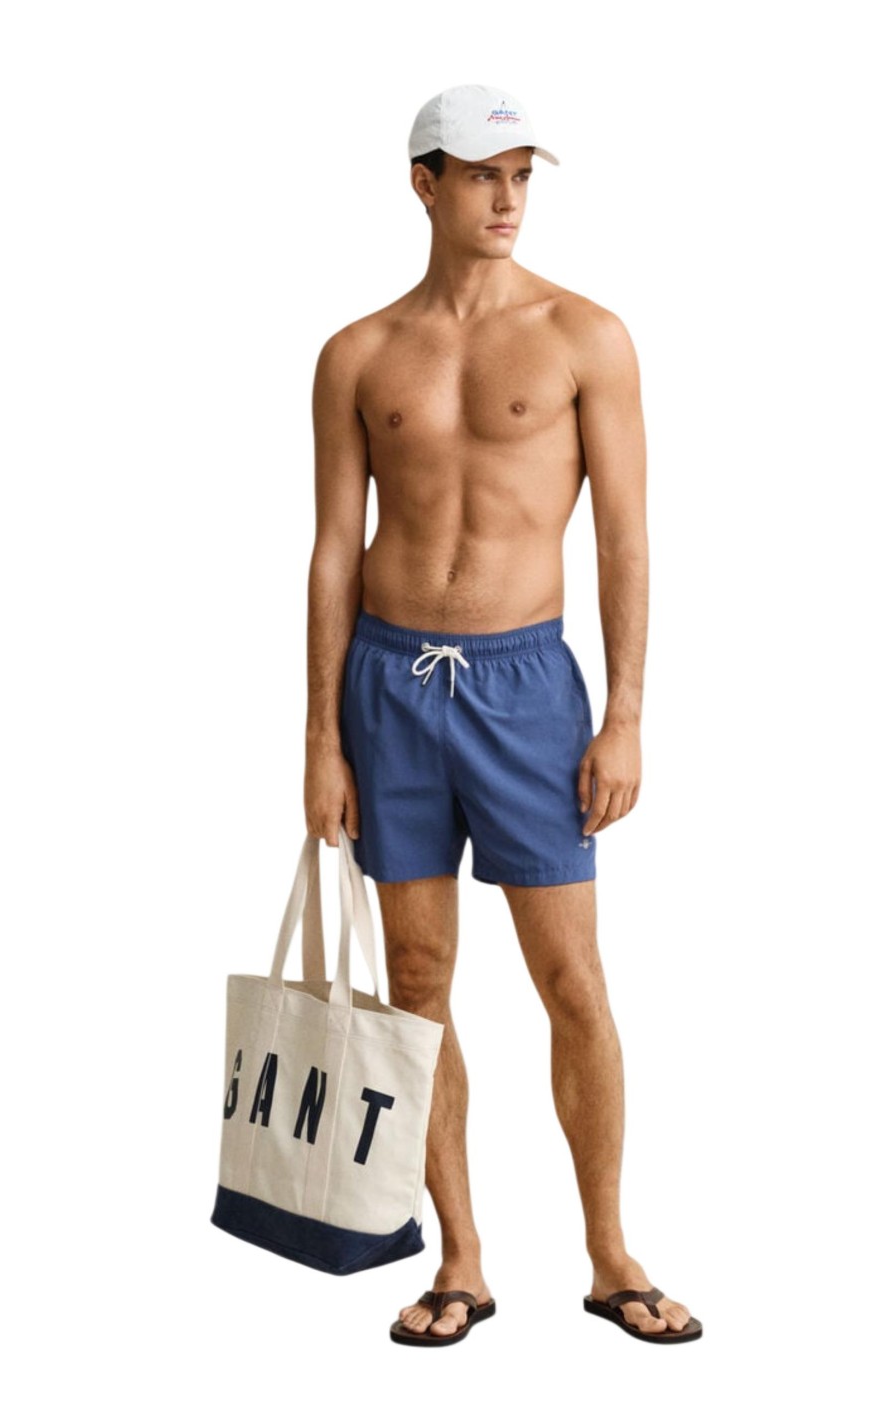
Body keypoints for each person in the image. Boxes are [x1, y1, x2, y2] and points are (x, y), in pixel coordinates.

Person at [303, 84, 702, 1347]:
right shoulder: (358, 353)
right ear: (423, 183)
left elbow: (626, 535)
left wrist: (623, 714)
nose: (506, 198)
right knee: (416, 979)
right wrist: (319, 738)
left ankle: (609, 1252)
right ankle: (461, 1259)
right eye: (481, 174)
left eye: (521, 174)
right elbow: (333, 550)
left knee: (570, 978)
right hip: (388, 686)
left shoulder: (585, 336)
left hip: (527, 689)